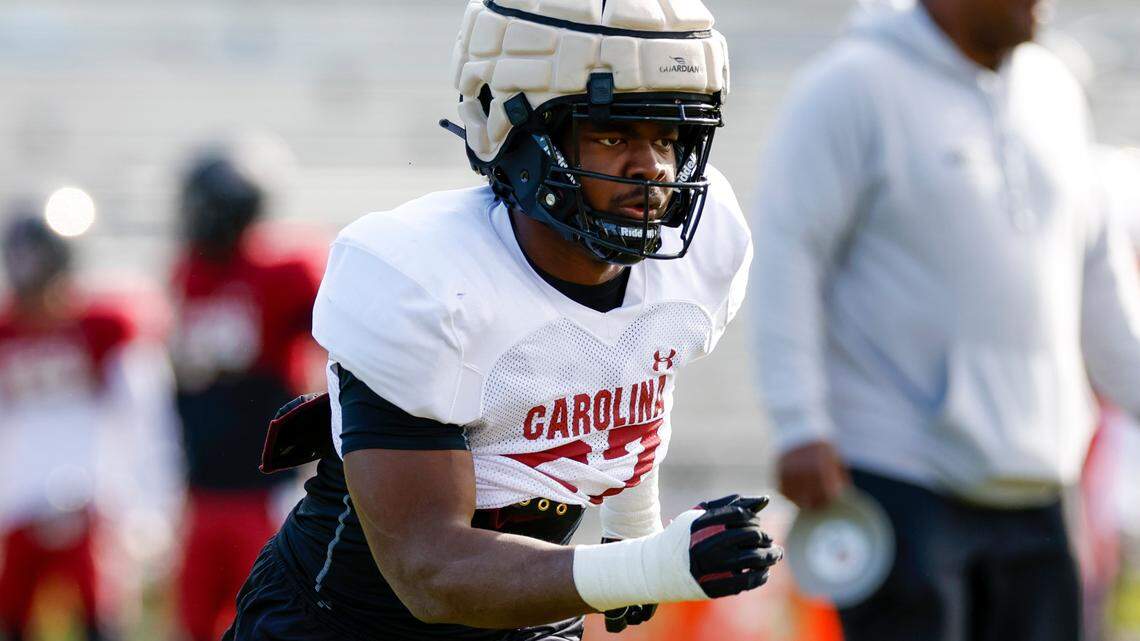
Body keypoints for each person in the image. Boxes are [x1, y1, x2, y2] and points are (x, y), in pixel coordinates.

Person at [223, 1, 783, 639]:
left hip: (530, 617)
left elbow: (640, 367)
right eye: (614, 135)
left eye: (666, 137)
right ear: (520, 133)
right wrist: (646, 566)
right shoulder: (423, 278)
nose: (652, 168)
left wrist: (634, 525)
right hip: (348, 620)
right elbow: (429, 569)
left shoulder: (702, 246)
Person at [752, 0, 1140, 640]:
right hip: (900, 472)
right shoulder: (850, 86)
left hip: (1041, 481)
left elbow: (1099, 275)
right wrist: (799, 424)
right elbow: (791, 254)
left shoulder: (1056, 88)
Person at [0, 211, 179, 641]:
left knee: (102, 623)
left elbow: (145, 417)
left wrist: (147, 508)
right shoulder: (8, 331)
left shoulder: (105, 326)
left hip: (90, 501)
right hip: (20, 504)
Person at [169, 145, 323, 641]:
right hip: (202, 486)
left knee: (263, 619)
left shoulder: (285, 270)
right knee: (194, 622)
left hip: (262, 486)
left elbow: (336, 350)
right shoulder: (188, 270)